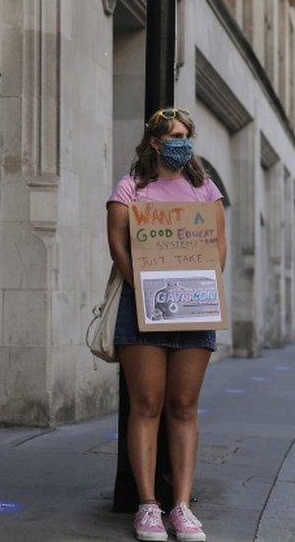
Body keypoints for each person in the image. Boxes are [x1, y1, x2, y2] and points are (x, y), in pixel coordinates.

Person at [107, 106, 225, 542]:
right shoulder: (131, 187)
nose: (182, 143)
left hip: (193, 309)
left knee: (183, 408)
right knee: (147, 406)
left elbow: (218, 247)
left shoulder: (204, 188)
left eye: (187, 135)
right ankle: (148, 507)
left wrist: (204, 293)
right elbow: (118, 247)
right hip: (144, 309)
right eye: (174, 135)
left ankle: (182, 506)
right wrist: (142, 289)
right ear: (155, 142)